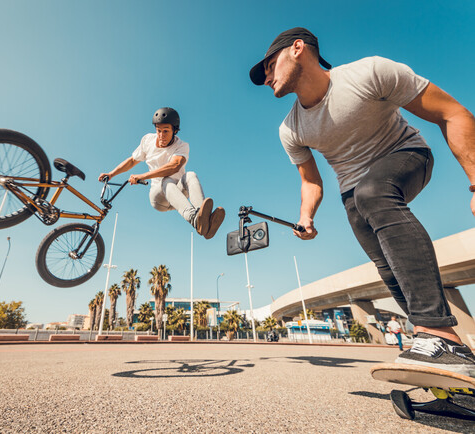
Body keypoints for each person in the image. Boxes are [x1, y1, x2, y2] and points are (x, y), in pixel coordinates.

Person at [249, 27, 475, 376]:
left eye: (269, 65)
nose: (266, 78)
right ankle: (437, 349)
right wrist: (306, 216)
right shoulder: (290, 129)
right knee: (385, 262)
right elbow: (311, 181)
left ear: (297, 49)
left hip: (406, 154)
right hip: (353, 190)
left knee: (374, 194)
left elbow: (453, 113)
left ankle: (440, 336)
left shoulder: (369, 72)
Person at [99, 107, 225, 239]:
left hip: (179, 195)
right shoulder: (147, 140)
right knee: (166, 181)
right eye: (159, 131)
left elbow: (174, 166)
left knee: (190, 175)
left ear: (175, 131)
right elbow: (132, 161)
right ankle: (195, 219)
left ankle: (203, 219)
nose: (161, 136)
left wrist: (142, 176)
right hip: (159, 198)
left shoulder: (182, 146)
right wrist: (111, 174)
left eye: (166, 131)